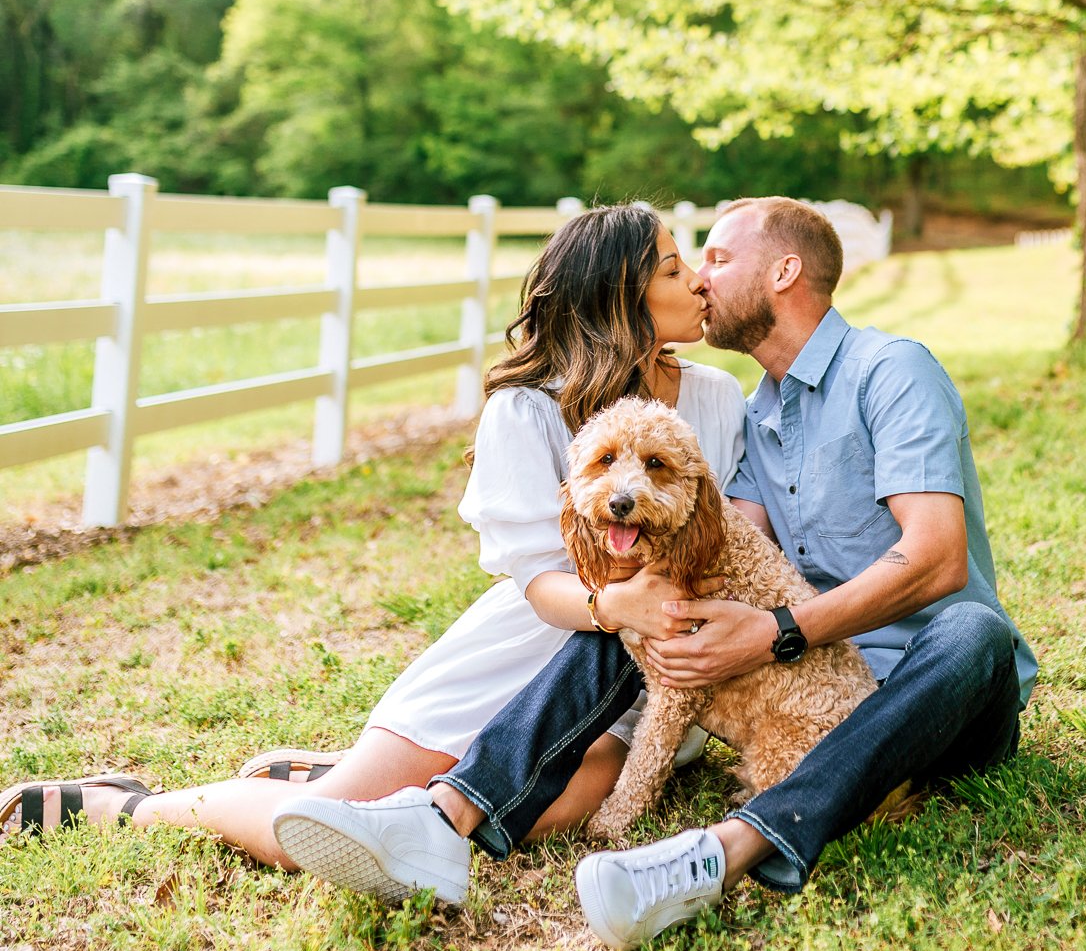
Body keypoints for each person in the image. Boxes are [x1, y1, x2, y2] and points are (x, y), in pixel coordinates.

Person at [270, 197, 1037, 949]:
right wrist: (651, 595)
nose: (700, 278)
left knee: (973, 631)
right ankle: (444, 819)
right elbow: (724, 556)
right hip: (794, 683)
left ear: (784, 271)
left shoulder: (889, 370)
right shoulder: (750, 412)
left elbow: (936, 559)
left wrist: (775, 633)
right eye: (686, 264)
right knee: (642, 601)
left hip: (934, 695)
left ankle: (723, 851)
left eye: (716, 258)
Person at [1, 205, 745, 859]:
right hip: (539, 640)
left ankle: (348, 768)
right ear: (620, 297)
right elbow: (531, 576)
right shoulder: (526, 410)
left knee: (562, 807)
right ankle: (129, 807)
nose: (699, 283)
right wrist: (610, 608)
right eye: (676, 270)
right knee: (327, 825)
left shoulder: (717, 397)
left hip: (644, 670)